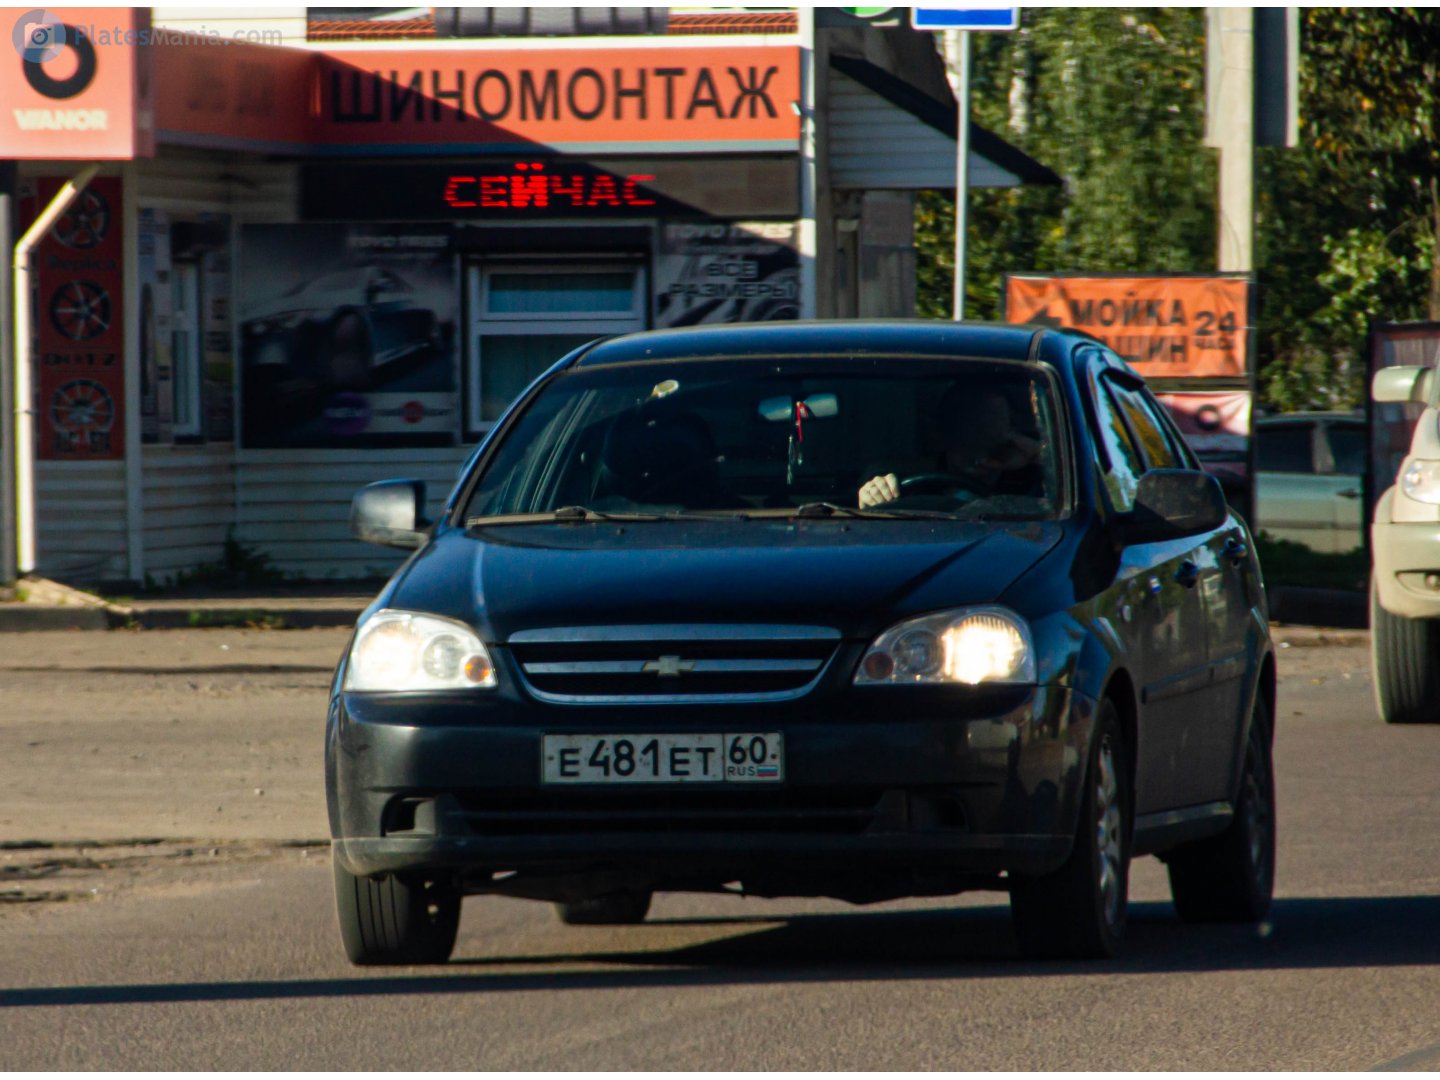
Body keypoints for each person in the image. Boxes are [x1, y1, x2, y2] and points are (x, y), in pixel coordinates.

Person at [858, 385, 1042, 508]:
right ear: (944, 433)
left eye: (993, 422)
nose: (979, 434)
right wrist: (872, 497)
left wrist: (1037, 454)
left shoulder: (1033, 479)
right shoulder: (901, 477)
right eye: (968, 425)